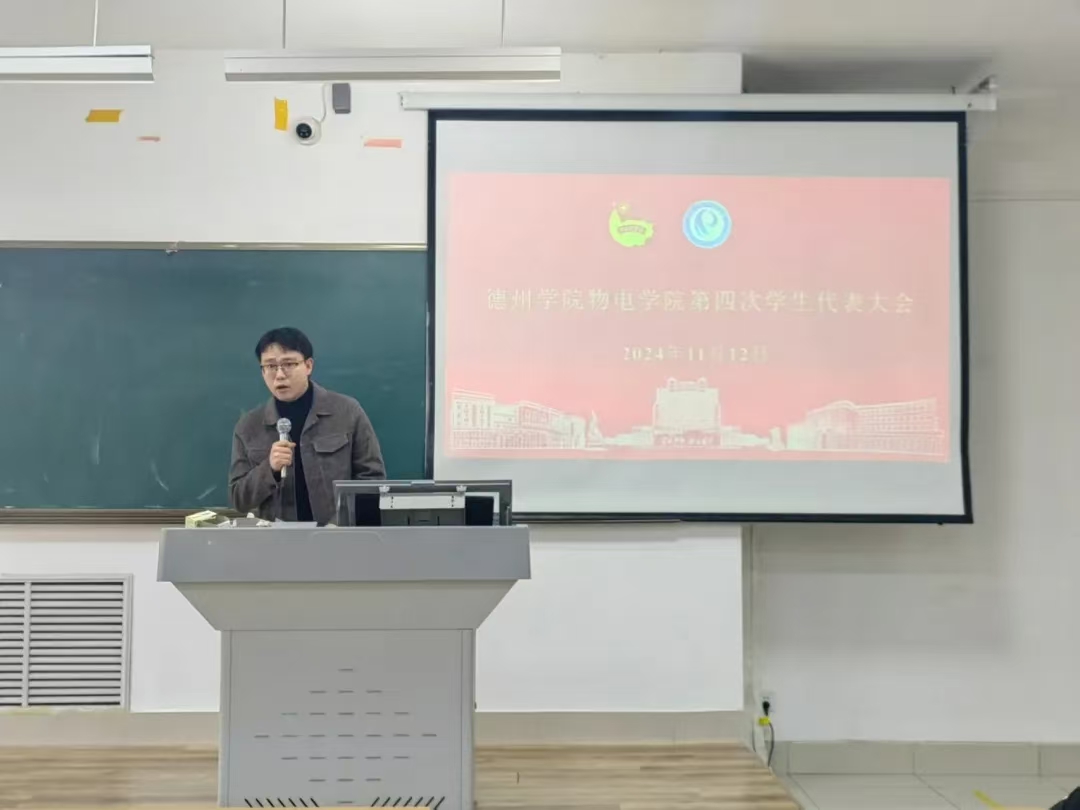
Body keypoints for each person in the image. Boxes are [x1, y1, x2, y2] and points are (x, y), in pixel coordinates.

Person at [229, 327, 385, 523]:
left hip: (338, 535)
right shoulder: (248, 427)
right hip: (276, 539)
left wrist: (338, 526)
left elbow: (372, 481)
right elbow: (238, 499)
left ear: (308, 366)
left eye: (288, 364)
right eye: (270, 366)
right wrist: (269, 469)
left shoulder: (347, 412)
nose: (279, 375)